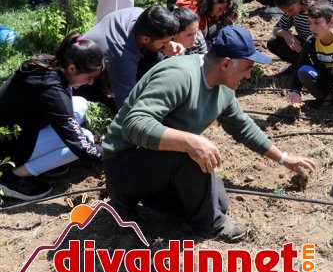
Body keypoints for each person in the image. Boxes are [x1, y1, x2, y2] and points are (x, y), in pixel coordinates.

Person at [102, 25, 315, 242]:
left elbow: (242, 126)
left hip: (157, 163)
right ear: (225, 63)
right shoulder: (179, 76)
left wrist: (284, 158)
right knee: (193, 158)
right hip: (125, 161)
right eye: (247, 68)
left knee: (219, 202)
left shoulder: (223, 87)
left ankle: (148, 196)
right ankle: (206, 225)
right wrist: (190, 141)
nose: (249, 75)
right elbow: (134, 125)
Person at [0, 34, 104, 200]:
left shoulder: (50, 64)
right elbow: (79, 144)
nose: (91, 83)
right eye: (89, 77)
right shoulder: (52, 91)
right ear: (72, 68)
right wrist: (111, 156)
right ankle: (13, 178)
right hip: (7, 147)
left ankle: (46, 162)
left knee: (80, 104)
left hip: (17, 129)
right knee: (85, 138)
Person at [82, 6, 181, 111]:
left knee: (157, 56)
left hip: (111, 59)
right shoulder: (122, 57)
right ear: (145, 39)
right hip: (85, 82)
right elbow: (126, 108)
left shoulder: (142, 15)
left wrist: (164, 44)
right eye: (164, 42)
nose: (168, 45)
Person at [267, 0, 314, 70]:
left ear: (298, 0)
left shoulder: (314, 10)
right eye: (285, 12)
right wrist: (285, 34)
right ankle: (299, 64)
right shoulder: (290, 12)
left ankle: (305, 66)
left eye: (290, 10)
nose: (288, 14)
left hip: (317, 49)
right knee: (273, 43)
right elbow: (276, 29)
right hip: (303, 45)